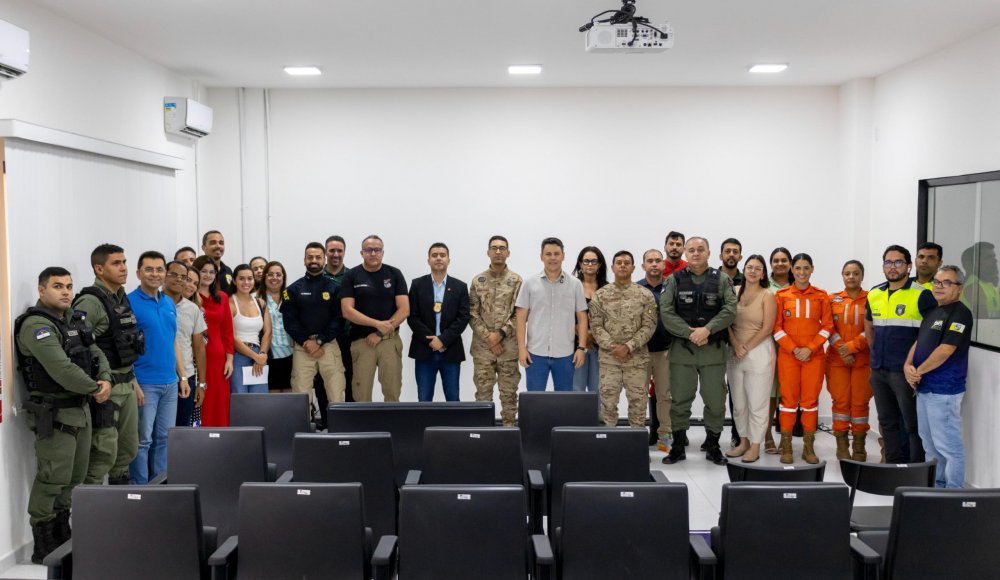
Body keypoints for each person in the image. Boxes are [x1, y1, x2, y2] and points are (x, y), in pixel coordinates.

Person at [15, 267, 112, 563]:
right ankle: (43, 545)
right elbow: (61, 369)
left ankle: (62, 537)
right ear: (41, 289)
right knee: (52, 479)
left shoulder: (72, 320)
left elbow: (95, 353)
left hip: (79, 409)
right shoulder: (37, 325)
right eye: (58, 286)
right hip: (56, 414)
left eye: (69, 286)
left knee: (74, 478)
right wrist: (95, 388)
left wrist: (105, 378)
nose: (66, 291)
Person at [660, 237, 737, 466]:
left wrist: (707, 330)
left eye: (700, 249)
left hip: (713, 351)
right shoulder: (673, 280)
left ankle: (713, 445)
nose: (696, 253)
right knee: (680, 399)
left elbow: (730, 310)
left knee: (715, 400)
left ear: (709, 253)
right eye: (691, 250)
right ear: (685, 252)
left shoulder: (722, 279)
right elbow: (666, 311)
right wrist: (689, 333)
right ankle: (678, 446)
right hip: (683, 351)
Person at [72, 244, 141, 486]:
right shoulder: (90, 302)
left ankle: (120, 501)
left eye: (124, 262)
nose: (123, 268)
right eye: (116, 263)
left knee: (128, 449)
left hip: (127, 383)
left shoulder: (121, 297)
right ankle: (90, 504)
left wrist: (134, 381)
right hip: (106, 387)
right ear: (99, 269)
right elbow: (77, 346)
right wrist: (96, 382)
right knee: (103, 453)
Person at [865, 245, 936, 463]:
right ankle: (893, 466)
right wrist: (874, 353)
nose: (893, 267)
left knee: (911, 424)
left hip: (905, 372)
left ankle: (914, 470)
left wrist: (914, 365)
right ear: (883, 266)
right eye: (888, 262)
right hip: (879, 370)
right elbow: (869, 326)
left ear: (908, 266)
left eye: (898, 262)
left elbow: (930, 334)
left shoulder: (922, 295)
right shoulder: (874, 293)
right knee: (887, 422)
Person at [905, 265, 974, 488]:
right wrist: (907, 366)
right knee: (930, 446)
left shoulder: (960, 313)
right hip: (924, 388)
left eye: (946, 282)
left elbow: (946, 350)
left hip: (944, 391)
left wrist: (918, 371)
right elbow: (919, 342)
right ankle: (936, 488)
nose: (939, 286)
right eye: (936, 282)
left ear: (959, 287)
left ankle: (953, 493)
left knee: (948, 447)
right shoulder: (933, 311)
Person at [127, 251, 182, 485]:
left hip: (170, 382)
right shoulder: (129, 303)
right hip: (145, 383)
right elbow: (124, 348)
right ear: (138, 273)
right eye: (148, 269)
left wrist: (183, 376)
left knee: (164, 439)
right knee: (142, 441)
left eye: (159, 269)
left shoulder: (168, 302)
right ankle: (140, 488)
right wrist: (134, 383)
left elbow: (173, 340)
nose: (154, 274)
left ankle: (160, 485)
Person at [772, 253, 832, 464]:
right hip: (788, 356)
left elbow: (827, 327)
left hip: (813, 357)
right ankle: (786, 445)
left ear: (812, 269)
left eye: (806, 268)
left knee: (810, 402)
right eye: (798, 268)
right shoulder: (781, 295)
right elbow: (776, 327)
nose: (802, 272)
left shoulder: (821, 296)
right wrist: (793, 349)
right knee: (788, 401)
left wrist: (810, 348)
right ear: (792, 269)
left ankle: (808, 447)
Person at [589, 251, 657, 428]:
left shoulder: (645, 295)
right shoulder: (600, 295)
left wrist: (628, 346)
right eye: (618, 262)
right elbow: (596, 326)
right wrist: (614, 346)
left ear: (633, 268)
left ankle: (636, 442)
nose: (622, 265)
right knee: (608, 405)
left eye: (627, 263)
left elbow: (649, 326)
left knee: (638, 405)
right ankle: (609, 441)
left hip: (636, 360)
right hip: (609, 360)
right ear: (612, 267)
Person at [341, 235, 410, 402]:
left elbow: (404, 309)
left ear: (382, 253)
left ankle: (391, 420)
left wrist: (379, 333)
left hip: (389, 341)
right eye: (369, 250)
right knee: (361, 395)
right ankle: (363, 421)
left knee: (392, 392)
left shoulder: (394, 274)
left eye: (377, 250)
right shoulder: (351, 275)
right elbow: (347, 311)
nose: (373, 253)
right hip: (362, 342)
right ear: (362, 253)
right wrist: (377, 324)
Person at [515, 237, 588, 391]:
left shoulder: (575, 284)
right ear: (541, 256)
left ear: (563, 256)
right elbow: (520, 318)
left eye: (556, 254)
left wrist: (581, 348)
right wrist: (522, 348)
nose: (552, 258)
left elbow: (582, 318)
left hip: (565, 354)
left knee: (564, 400)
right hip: (535, 354)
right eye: (548, 254)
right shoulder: (529, 283)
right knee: (534, 399)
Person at [282, 243, 347, 407]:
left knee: (337, 394)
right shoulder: (292, 290)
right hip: (302, 347)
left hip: (329, 346)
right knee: (301, 397)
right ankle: (304, 424)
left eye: (318, 257)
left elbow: (339, 319)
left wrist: (320, 341)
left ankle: (337, 425)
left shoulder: (335, 288)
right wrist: (306, 342)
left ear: (324, 260)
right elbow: (290, 321)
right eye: (310, 257)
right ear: (304, 260)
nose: (314, 260)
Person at [726, 255, 777, 463]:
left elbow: (768, 328)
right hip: (735, 352)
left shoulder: (767, 295)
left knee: (757, 403)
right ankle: (743, 442)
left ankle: (756, 445)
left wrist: (746, 347)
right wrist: (736, 345)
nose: (753, 271)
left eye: (758, 268)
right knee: (739, 403)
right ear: (744, 270)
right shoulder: (734, 291)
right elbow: (726, 322)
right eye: (749, 267)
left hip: (759, 352)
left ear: (763, 273)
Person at [469, 235, 523, 426]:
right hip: (483, 351)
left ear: (508, 253)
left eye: (502, 248)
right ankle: (483, 435)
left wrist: (500, 334)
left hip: (508, 349)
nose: (498, 252)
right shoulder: (478, 281)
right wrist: (489, 338)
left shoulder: (516, 281)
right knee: (483, 397)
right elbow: (472, 313)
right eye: (494, 248)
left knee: (509, 397)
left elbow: (519, 314)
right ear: (488, 252)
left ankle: (509, 433)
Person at [407, 243, 471, 401]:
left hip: (450, 350)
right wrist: (431, 340)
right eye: (434, 255)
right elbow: (412, 316)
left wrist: (442, 340)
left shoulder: (460, 287)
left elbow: (463, 317)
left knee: (453, 399)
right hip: (424, 349)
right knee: (424, 399)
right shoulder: (417, 285)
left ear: (449, 260)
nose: (438, 258)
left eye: (442, 255)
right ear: (428, 260)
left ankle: (453, 421)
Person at [826, 260, 872, 460]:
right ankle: (842, 445)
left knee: (860, 402)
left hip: (863, 359)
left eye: (855, 273)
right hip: (837, 361)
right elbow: (828, 327)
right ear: (842, 276)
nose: (851, 277)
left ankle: (859, 446)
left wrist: (852, 348)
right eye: (847, 273)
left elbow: (872, 327)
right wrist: (843, 350)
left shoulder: (872, 298)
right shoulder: (832, 299)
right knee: (840, 402)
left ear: (862, 276)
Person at [637, 249, 674, 450]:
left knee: (664, 395)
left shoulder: (671, 287)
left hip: (665, 350)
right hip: (640, 351)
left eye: (657, 260)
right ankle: (637, 435)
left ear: (663, 264)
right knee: (639, 395)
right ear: (643, 265)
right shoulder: (636, 289)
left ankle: (665, 436)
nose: (654, 264)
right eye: (649, 261)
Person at [193, 255, 235, 426]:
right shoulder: (189, 296)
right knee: (201, 400)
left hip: (218, 358)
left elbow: (227, 332)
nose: (208, 275)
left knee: (219, 402)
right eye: (204, 271)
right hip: (196, 356)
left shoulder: (222, 297)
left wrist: (229, 360)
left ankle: (220, 438)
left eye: (212, 272)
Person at [763, 246, 793, 453]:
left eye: (784, 260)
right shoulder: (764, 286)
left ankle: (786, 437)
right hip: (768, 345)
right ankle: (766, 436)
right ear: (771, 264)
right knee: (768, 394)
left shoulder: (798, 285)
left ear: (790, 263)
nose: (780, 264)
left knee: (787, 394)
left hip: (792, 348)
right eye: (776, 260)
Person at [172, 263, 207, 426]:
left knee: (182, 428)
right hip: (160, 376)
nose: (191, 285)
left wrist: (201, 384)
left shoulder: (194, 310)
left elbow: (199, 348)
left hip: (187, 376)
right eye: (188, 280)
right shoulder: (158, 303)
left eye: (195, 283)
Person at [229, 264, 272, 393]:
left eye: (249, 278)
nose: (246, 282)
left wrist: (262, 354)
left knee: (260, 398)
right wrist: (255, 356)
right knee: (240, 397)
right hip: (237, 355)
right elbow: (232, 337)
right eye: (241, 278)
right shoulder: (229, 303)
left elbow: (268, 332)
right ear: (234, 281)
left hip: (258, 354)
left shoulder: (260, 302)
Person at [718, 237, 745, 447]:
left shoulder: (747, 281)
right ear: (721, 255)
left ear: (740, 256)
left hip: (739, 343)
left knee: (737, 391)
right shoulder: (711, 278)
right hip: (716, 341)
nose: (731, 255)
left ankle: (738, 434)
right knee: (715, 392)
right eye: (728, 251)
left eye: (735, 251)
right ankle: (712, 437)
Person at [572, 246, 608, 395]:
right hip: (576, 346)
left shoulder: (607, 288)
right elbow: (564, 315)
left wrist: (594, 334)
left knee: (598, 391)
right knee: (576, 390)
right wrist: (582, 334)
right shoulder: (572, 286)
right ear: (580, 264)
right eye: (586, 261)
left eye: (594, 261)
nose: (590, 264)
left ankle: (596, 414)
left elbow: (612, 318)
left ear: (599, 265)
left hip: (601, 346)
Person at [323, 235, 354, 403]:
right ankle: (326, 418)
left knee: (351, 381)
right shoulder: (317, 276)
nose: (336, 254)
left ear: (345, 252)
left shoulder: (353, 276)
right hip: (324, 340)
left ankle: (351, 417)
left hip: (349, 337)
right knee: (323, 383)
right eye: (332, 250)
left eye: (339, 250)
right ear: (326, 252)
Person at [262, 261, 294, 392]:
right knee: (272, 397)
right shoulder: (257, 299)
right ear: (264, 277)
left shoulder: (291, 297)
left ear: (283, 278)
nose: (274, 278)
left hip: (291, 354)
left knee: (290, 396)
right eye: (270, 274)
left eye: (278, 274)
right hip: (269, 355)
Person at [961, 241, 1000, 318]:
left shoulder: (989, 285)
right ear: (975, 263)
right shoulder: (974, 287)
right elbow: (982, 320)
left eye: (994, 257)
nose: (995, 260)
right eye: (988, 258)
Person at [201, 230, 234, 294]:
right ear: (203, 247)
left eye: (221, 243)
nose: (218, 246)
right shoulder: (197, 271)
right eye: (213, 243)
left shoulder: (228, 271)